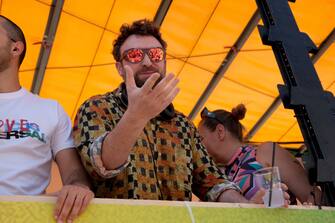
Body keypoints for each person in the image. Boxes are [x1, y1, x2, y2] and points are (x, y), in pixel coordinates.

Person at [72, 19, 277, 203]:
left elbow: (212, 182)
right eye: (134, 55)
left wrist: (246, 205)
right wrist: (136, 115)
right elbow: (100, 165)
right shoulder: (97, 107)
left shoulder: (183, 124)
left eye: (155, 54)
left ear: (164, 61)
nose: (146, 61)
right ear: (119, 68)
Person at [0, 15, 94, 222]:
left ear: (16, 48)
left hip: (25, 218)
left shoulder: (51, 110)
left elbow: (74, 174)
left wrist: (78, 188)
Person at [198, 104, 321, 204]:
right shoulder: (216, 176)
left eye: (201, 139)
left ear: (220, 132)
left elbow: (313, 197)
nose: (198, 147)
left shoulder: (265, 153)